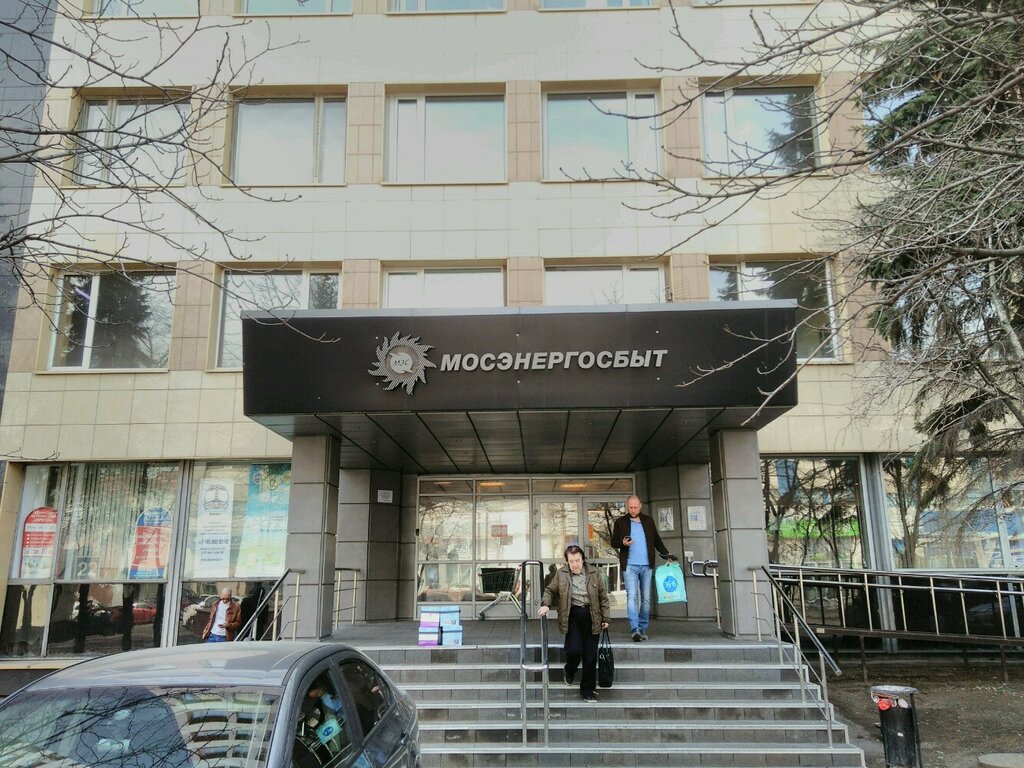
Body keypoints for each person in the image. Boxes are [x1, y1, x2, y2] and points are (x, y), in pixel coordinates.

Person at [537, 544, 610, 703]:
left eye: (577, 560)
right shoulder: (561, 574)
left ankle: (588, 691)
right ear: (567, 561)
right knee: (574, 650)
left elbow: (603, 597)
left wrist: (605, 618)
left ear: (583, 559)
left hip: (592, 616)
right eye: (571, 561)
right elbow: (550, 590)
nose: (574, 564)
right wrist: (546, 604)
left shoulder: (594, 573)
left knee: (590, 656)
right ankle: (570, 670)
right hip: (572, 616)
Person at [611, 494, 675, 642]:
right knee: (632, 596)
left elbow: (657, 540)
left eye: (635, 507)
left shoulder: (648, 521)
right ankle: (634, 628)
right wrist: (623, 543)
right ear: (627, 507)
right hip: (630, 565)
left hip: (647, 565)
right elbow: (614, 542)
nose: (633, 510)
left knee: (646, 599)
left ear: (640, 506)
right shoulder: (621, 522)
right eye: (630, 507)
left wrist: (666, 554)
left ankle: (642, 628)